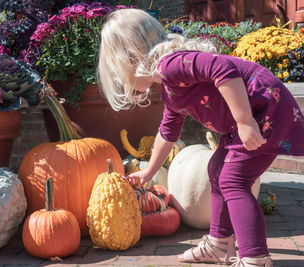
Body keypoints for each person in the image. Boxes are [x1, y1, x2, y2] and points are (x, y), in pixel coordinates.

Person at [97, 8, 304, 267]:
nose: (119, 78)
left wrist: (244, 121)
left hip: (265, 112)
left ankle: (255, 258)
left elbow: (224, 68)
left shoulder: (171, 66)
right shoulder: (170, 86)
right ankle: (219, 245)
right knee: (216, 169)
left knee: (234, 179)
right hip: (253, 117)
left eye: (116, 69)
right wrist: (149, 171)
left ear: (129, 57)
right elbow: (167, 131)